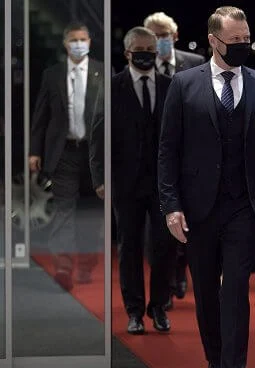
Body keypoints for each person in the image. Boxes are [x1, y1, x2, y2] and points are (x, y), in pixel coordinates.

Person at [158, 6, 255, 368]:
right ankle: (214, 363)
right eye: (233, 41)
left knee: (236, 290)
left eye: (245, 39)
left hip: (243, 208)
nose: (241, 46)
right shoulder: (183, 85)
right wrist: (171, 206)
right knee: (206, 292)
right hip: (198, 209)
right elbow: (167, 150)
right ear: (213, 40)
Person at [108, 27, 176, 335]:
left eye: (151, 48)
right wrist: (101, 178)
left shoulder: (170, 86)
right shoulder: (112, 88)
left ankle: (159, 307)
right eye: (141, 49)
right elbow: (101, 137)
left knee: (164, 245)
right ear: (127, 53)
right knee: (129, 247)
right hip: (126, 182)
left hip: (164, 184)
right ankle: (134, 311)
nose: (147, 53)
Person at [30, 22, 104, 291]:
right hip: (63, 152)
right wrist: (34, 151)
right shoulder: (53, 74)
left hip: (94, 153)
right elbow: (41, 116)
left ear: (89, 42)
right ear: (65, 43)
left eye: (82, 39)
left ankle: (86, 263)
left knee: (92, 209)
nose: (78, 43)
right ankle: (63, 264)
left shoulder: (102, 72)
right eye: (73, 39)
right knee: (64, 208)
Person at [144, 11, 205, 307]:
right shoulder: (141, 68)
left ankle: (181, 270)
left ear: (174, 37)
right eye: (154, 36)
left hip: (190, 156)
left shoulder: (194, 65)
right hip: (157, 157)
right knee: (160, 226)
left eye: (163, 36)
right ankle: (165, 284)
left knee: (187, 220)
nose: (159, 41)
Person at [144, 11, 205, 76]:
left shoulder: (196, 63)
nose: (159, 39)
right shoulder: (141, 63)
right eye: (154, 35)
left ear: (175, 35)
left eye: (164, 35)